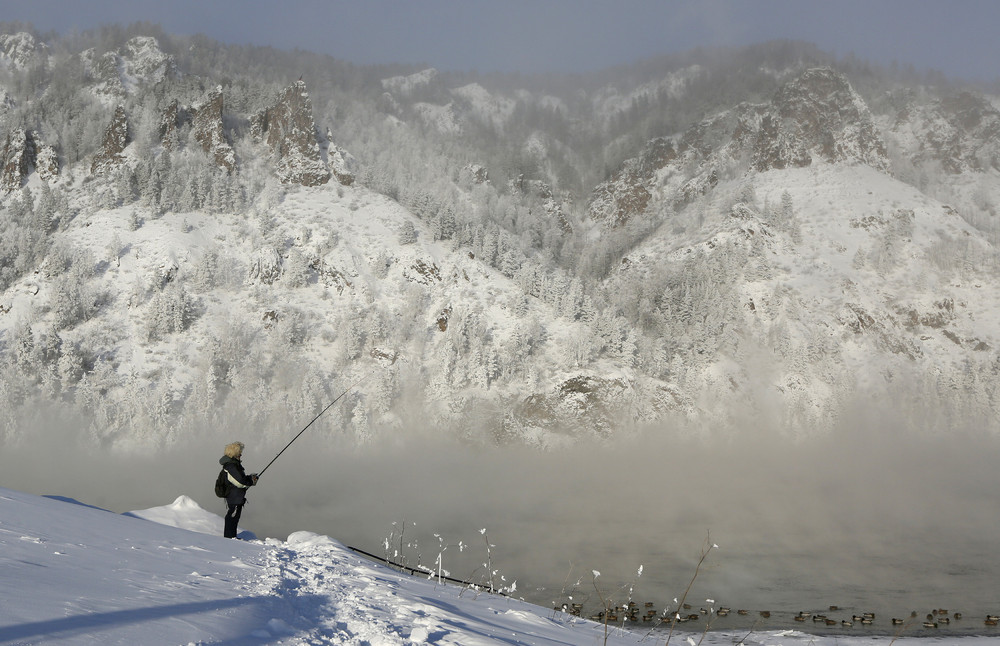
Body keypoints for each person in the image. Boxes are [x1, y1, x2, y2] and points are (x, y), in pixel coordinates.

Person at [219, 441, 258, 538]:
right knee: (232, 516)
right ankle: (229, 538)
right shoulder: (231, 466)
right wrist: (251, 481)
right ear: (234, 453)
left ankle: (232, 537)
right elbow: (239, 482)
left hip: (235, 495)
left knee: (234, 516)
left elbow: (239, 479)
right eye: (239, 452)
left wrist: (250, 478)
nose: (241, 454)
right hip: (234, 496)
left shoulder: (233, 465)